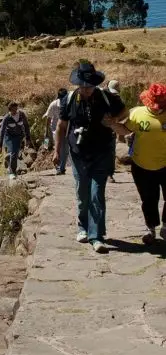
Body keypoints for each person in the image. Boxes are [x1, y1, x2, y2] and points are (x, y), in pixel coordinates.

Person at [53, 62, 128, 254]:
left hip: (101, 153)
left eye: (89, 86)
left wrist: (112, 122)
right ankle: (82, 227)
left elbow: (124, 111)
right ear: (78, 84)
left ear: (95, 83)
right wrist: (57, 151)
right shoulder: (69, 100)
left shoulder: (106, 97)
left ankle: (96, 236)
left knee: (96, 193)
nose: (86, 90)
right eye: (83, 86)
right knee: (82, 193)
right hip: (78, 155)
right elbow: (61, 126)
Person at [124, 83, 166, 244]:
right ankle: (151, 230)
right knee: (148, 200)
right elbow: (125, 128)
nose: (157, 108)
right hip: (141, 165)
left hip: (165, 164)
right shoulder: (136, 113)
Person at [0, 101, 32, 180]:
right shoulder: (7, 118)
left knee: (15, 152)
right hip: (9, 137)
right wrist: (0, 145)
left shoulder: (21, 114)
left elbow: (26, 126)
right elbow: (2, 131)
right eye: (13, 110)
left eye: (16, 109)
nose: (15, 111)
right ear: (9, 110)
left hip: (19, 136)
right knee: (14, 151)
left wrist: (28, 138)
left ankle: (9, 157)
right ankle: (12, 172)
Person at [44, 88, 70, 175]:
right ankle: (59, 167)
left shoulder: (68, 104)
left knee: (65, 149)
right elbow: (48, 118)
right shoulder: (54, 104)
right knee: (59, 147)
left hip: (66, 129)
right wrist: (46, 131)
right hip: (56, 130)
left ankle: (62, 168)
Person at [107, 80, 121, 183]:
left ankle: (109, 174)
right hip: (100, 131)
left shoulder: (118, 100)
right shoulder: (100, 98)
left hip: (111, 132)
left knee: (111, 153)